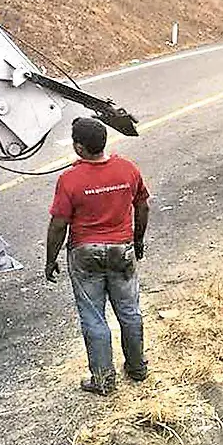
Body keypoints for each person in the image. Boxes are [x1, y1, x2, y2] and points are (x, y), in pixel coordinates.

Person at [45, 117, 150, 395]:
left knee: (93, 317)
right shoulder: (127, 169)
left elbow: (58, 224)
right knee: (129, 311)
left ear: (79, 148)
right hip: (122, 250)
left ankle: (103, 380)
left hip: (85, 253)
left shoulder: (70, 179)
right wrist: (137, 240)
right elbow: (143, 206)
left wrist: (50, 258)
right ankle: (137, 367)